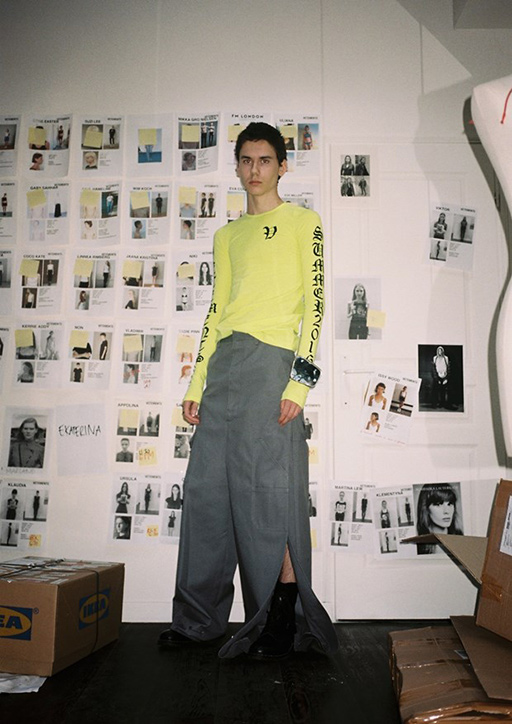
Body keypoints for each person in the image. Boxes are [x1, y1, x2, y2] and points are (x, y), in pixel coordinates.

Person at [159, 122, 337, 661]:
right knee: (207, 495)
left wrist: (300, 384)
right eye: (246, 160)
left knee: (269, 496)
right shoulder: (227, 236)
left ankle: (278, 619)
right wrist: (196, 381)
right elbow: (217, 310)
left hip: (272, 366)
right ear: (237, 167)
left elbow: (315, 306)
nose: (254, 169)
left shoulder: (305, 223)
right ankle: (198, 622)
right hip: (225, 368)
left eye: (264, 160)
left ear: (282, 166)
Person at [416, 483, 463, 555]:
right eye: (438, 504)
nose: (447, 511)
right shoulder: (418, 545)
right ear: (426, 509)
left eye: (449, 504)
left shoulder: (460, 538)